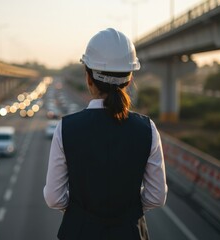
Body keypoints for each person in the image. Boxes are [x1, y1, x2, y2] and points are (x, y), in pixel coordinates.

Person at [43, 28, 168, 240]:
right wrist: (127, 212)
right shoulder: (147, 128)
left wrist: (80, 214)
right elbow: (156, 197)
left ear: (88, 78)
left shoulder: (65, 128)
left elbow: (54, 198)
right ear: (129, 80)